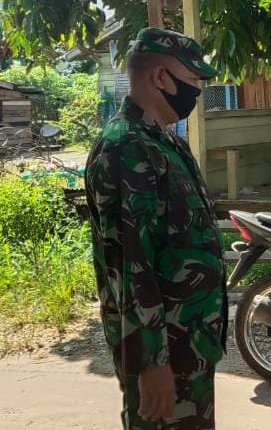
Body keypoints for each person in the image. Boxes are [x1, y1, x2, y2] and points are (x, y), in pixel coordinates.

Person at [86, 28, 228, 430]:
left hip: (190, 343)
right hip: (164, 353)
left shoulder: (164, 142)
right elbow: (131, 265)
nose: (198, 90)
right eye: (193, 79)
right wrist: (151, 365)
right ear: (161, 77)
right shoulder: (126, 147)